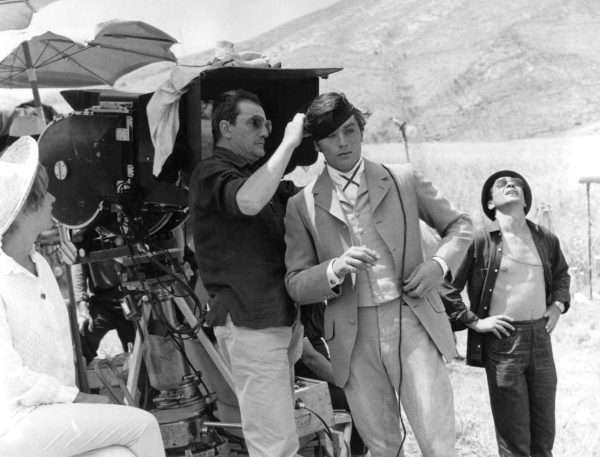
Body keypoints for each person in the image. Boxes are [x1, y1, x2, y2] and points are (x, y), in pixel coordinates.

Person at [284, 92, 473, 457]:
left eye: (350, 131)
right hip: (352, 338)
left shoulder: (403, 178)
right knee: (382, 444)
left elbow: (461, 225)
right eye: (331, 136)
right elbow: (295, 284)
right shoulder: (301, 205)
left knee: (437, 439)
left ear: (361, 131)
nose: (343, 142)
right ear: (318, 144)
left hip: (413, 319)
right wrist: (333, 269)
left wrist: (438, 265)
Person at [0, 137, 166, 457]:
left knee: (120, 455)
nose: (53, 198)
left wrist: (71, 399)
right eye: (44, 194)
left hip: (51, 416)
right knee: (144, 424)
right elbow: (9, 378)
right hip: (16, 421)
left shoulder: (40, 264)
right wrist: (75, 398)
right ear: (24, 209)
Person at [188, 89, 305, 457]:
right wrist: (289, 143)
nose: (265, 131)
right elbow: (248, 201)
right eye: (254, 123)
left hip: (276, 318)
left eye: (267, 124)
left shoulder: (255, 176)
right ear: (225, 128)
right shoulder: (211, 173)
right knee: (274, 444)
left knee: (280, 434)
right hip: (251, 322)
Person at [442, 170, 570, 457]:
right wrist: (475, 322)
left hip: (541, 338)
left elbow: (562, 274)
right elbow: (445, 287)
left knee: (544, 436)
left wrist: (558, 306)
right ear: (490, 203)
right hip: (503, 343)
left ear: (525, 200)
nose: (511, 184)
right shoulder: (480, 240)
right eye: (501, 184)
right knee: (514, 441)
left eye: (516, 184)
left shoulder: (545, 238)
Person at [72, 258, 136, 364]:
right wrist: (82, 309)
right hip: (102, 299)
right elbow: (78, 269)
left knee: (144, 345)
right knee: (82, 336)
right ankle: (82, 370)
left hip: (131, 296)